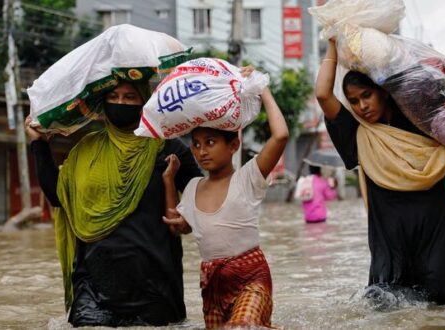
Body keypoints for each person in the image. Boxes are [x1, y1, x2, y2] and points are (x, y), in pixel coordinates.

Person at [315, 38, 445, 305]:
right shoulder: (358, 133)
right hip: (390, 246)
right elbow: (323, 94)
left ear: (383, 91)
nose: (361, 107)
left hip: (435, 238)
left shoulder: (425, 125)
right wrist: (333, 43)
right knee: (386, 307)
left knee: (441, 310)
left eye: (366, 96)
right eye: (354, 101)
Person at [25, 79, 202, 327]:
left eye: (130, 97)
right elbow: (58, 197)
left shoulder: (168, 148)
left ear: (144, 102)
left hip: (154, 287)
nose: (121, 103)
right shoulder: (85, 150)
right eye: (114, 96)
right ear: (103, 101)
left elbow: (202, 197)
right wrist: (39, 144)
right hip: (94, 287)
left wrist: (188, 217)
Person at [161, 66, 288, 328]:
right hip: (212, 284)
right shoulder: (194, 185)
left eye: (210, 142)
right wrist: (169, 182)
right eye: (195, 144)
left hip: (252, 277)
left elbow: (281, 135)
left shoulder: (247, 178)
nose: (201, 151)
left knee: (242, 326)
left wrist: (260, 86)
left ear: (233, 145)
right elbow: (178, 226)